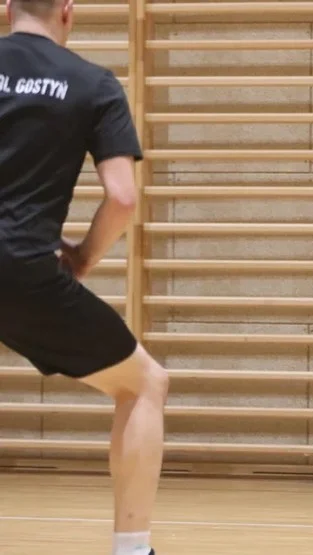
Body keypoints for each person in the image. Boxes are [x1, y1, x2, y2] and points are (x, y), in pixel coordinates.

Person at [1, 1, 168, 553]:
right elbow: (122, 197)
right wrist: (84, 257)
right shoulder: (93, 84)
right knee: (143, 385)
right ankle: (132, 549)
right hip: (22, 269)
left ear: (7, 9)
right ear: (68, 12)